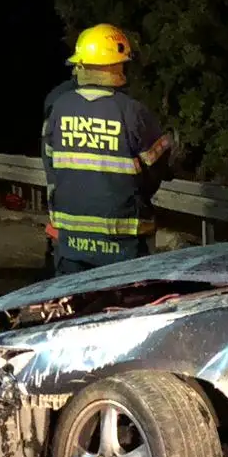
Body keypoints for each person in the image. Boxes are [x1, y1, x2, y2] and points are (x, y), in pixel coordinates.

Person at [42, 23, 172, 276]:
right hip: (121, 238)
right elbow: (157, 165)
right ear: (117, 65)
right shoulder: (131, 111)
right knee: (123, 307)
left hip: (71, 235)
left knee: (72, 307)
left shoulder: (59, 107)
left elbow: (50, 166)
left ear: (80, 64)